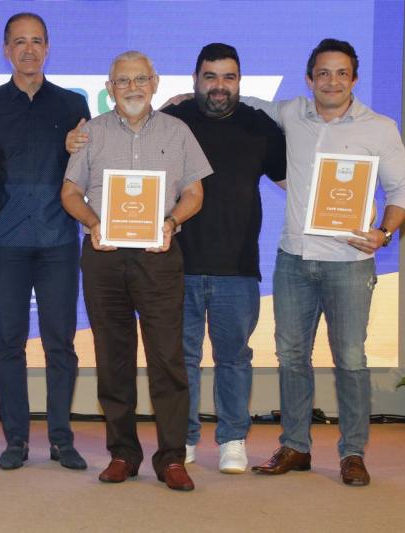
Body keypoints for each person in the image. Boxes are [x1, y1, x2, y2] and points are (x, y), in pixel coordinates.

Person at [240, 39, 405, 486]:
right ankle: (295, 446)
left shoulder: (379, 128)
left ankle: (353, 452)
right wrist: (188, 96)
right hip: (294, 260)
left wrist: (384, 232)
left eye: (341, 73)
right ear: (309, 78)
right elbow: (247, 101)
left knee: (351, 360)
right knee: (291, 357)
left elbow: (403, 189)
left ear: (354, 79)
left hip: (349, 264)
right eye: (323, 73)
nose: (331, 81)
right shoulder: (291, 113)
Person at [61, 51, 211, 491]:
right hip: (104, 257)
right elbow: (69, 192)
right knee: (113, 358)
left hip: (158, 256)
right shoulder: (90, 133)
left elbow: (195, 193)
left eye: (140, 79)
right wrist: (93, 223)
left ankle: (172, 458)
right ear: (110, 88)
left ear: (155, 83)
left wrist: (172, 222)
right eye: (123, 81)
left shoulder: (178, 132)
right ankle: (123, 453)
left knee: (167, 358)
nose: (132, 88)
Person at [0, 12, 91, 470]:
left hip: (59, 239)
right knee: (8, 344)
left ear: (48, 47)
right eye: (19, 41)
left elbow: (87, 172)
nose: (29, 49)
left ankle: (61, 438)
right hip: (7, 241)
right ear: (6, 50)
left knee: (61, 343)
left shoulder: (73, 104)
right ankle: (15, 440)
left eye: (37, 40)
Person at [164, 43, 286, 471]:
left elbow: (294, 183)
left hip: (238, 267)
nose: (219, 86)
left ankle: (233, 438)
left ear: (239, 81)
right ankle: (184, 437)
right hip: (177, 263)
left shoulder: (260, 126)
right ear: (195, 79)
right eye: (210, 77)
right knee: (182, 359)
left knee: (234, 359)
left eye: (228, 77)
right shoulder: (173, 120)